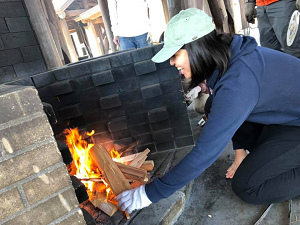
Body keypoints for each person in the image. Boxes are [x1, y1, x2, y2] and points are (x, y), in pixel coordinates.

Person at [116, 8, 300, 213]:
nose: (172, 62)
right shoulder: (230, 57)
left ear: (197, 48)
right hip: (287, 119)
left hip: (295, 126)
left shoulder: (238, 82)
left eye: (176, 54)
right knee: (213, 105)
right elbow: (227, 102)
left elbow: (205, 152)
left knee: (247, 185)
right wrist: (240, 151)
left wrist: (149, 194)